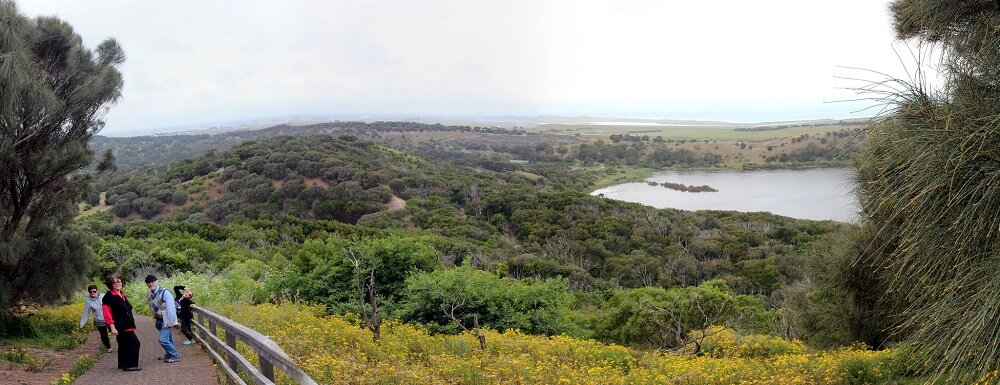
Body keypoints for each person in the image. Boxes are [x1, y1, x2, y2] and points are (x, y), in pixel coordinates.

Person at [101, 275, 141, 371]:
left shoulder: (121, 294)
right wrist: (112, 327)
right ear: (110, 284)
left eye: (119, 281)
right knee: (134, 343)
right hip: (120, 325)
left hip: (127, 324)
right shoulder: (108, 297)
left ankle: (123, 364)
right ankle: (131, 365)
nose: (118, 284)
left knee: (123, 344)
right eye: (115, 282)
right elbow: (107, 313)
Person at [145, 275, 180, 363]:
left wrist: (171, 321)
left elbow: (171, 307)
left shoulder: (165, 292)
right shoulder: (149, 293)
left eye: (153, 282)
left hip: (167, 319)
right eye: (149, 283)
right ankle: (169, 354)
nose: (151, 284)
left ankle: (175, 355)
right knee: (168, 338)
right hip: (158, 320)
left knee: (163, 339)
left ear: (157, 282)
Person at [79, 285, 112, 353]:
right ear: (89, 292)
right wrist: (81, 324)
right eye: (91, 292)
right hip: (99, 321)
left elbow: (113, 304)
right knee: (104, 335)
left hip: (109, 318)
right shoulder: (88, 301)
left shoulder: (104, 296)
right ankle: (109, 347)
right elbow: (86, 313)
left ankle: (122, 344)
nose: (93, 293)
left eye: (94, 291)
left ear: (97, 291)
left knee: (115, 331)